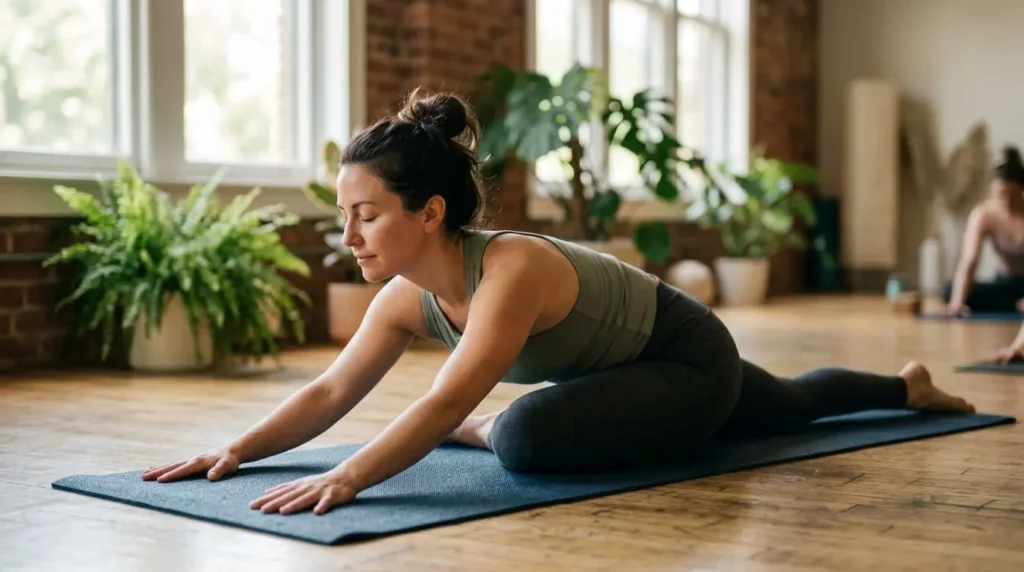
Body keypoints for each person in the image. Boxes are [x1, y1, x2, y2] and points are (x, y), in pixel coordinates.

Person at [141, 88, 976, 516]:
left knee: (529, 435)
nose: (350, 235)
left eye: (365, 215)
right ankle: (908, 388)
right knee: (789, 403)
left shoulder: (512, 269)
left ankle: (509, 431)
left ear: (429, 213)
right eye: (344, 216)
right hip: (637, 373)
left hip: (683, 355)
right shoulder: (404, 298)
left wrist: (350, 477)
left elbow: (444, 402)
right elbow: (329, 392)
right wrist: (237, 450)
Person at [944, 146, 1024, 316]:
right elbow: (969, 260)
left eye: (1013, 195)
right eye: (1003, 195)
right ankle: (1014, 306)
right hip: (1003, 284)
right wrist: (958, 301)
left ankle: (1014, 305)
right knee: (948, 291)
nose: (1007, 202)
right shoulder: (984, 214)